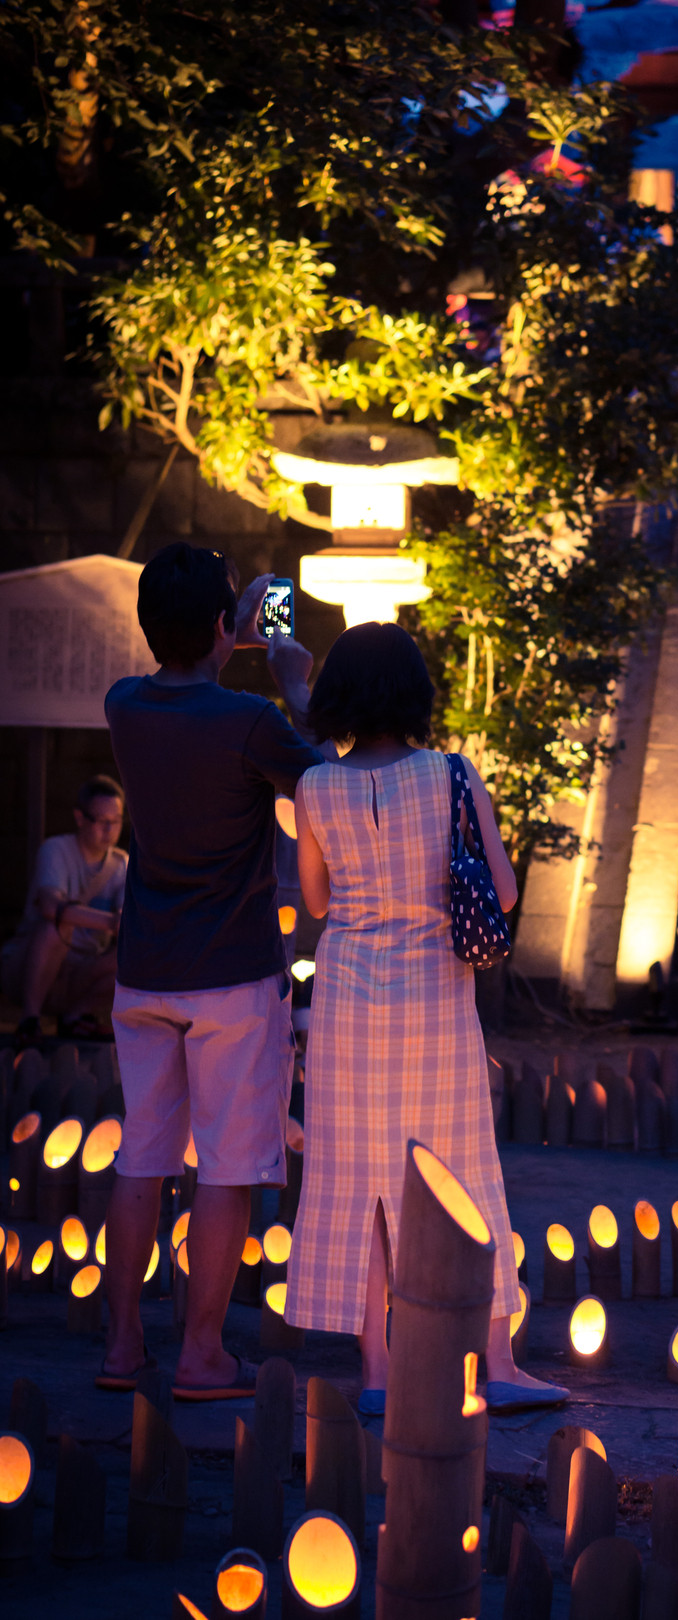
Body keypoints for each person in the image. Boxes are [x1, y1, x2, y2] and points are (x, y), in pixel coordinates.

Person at [287, 623, 567, 1417]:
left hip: (348, 999)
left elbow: (316, 902)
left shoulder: (314, 787)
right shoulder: (451, 774)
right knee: (464, 1168)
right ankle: (498, 1362)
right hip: (436, 997)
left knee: (357, 1182)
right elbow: (502, 893)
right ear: (414, 691)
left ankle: (378, 1372)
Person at [100, 543, 324, 1397]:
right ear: (227, 626)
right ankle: (201, 1356)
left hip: (144, 970)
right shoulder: (253, 721)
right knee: (229, 1167)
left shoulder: (124, 704)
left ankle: (123, 1348)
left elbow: (187, 682)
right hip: (232, 975)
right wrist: (295, 684)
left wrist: (230, 633)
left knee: (143, 1157)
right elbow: (327, 787)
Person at [2, 776, 128, 1048]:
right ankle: (30, 1019)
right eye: (101, 820)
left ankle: (77, 1016)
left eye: (116, 820)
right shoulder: (56, 850)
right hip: (30, 971)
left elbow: (127, 920)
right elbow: (51, 907)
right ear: (80, 818)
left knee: (134, 952)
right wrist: (112, 922)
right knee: (57, 926)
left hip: (82, 973)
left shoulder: (122, 864)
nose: (109, 829)